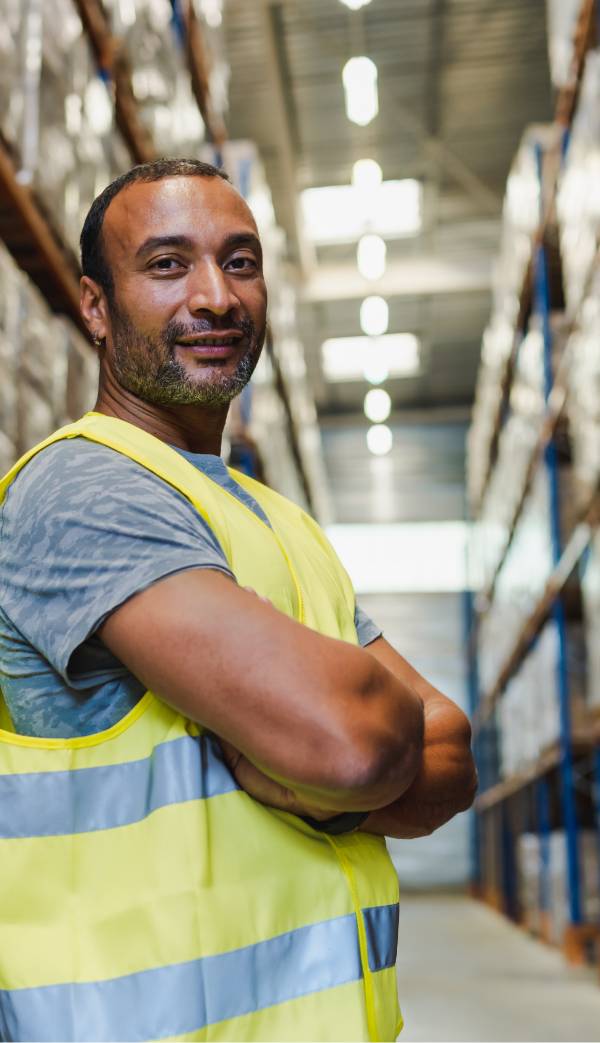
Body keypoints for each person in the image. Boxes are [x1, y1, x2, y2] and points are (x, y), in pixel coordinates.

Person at [0, 159, 476, 1043]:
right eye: (168, 264)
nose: (216, 296)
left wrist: (329, 780)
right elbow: (354, 738)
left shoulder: (273, 517)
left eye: (241, 262)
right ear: (96, 308)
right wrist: (352, 751)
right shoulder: (86, 487)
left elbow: (447, 751)